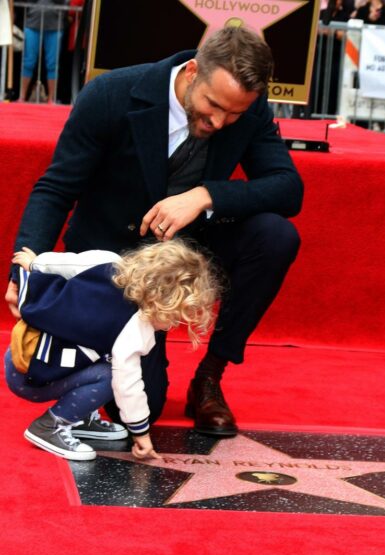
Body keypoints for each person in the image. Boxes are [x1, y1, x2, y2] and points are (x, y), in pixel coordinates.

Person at [6, 26, 303, 439]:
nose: (220, 121)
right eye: (213, 105)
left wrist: (204, 195)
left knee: (276, 236)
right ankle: (97, 360)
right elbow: (56, 189)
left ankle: (209, 379)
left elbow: (288, 189)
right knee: (146, 406)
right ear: (192, 71)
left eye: (233, 114)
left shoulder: (247, 111)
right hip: (113, 264)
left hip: (187, 254)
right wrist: (25, 272)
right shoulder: (112, 93)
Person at [5, 240, 218, 461]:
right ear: (163, 302)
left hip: (19, 354)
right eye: (175, 316)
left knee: (94, 353)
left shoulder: (109, 261)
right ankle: (49, 426)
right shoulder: (136, 327)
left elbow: (65, 262)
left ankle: (80, 416)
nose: (173, 325)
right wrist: (142, 435)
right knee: (112, 375)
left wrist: (35, 263)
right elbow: (128, 385)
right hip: (32, 382)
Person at [19, 0, 68, 103]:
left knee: (52, 64)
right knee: (28, 61)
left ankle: (51, 99)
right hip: (32, 23)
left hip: (55, 25)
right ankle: (22, 97)